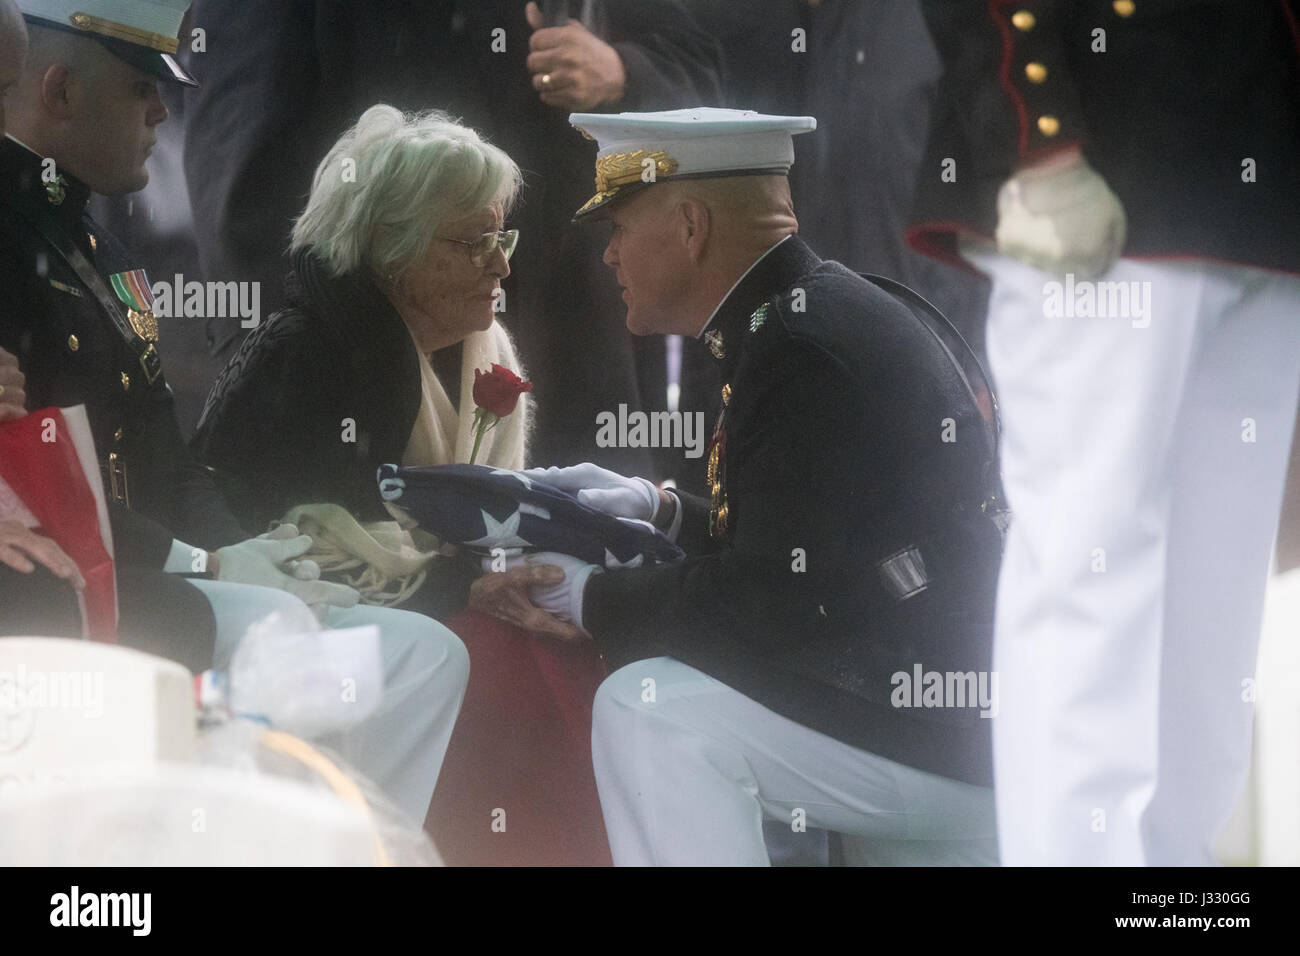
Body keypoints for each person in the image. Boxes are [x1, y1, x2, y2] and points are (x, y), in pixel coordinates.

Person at [475, 107, 1006, 865]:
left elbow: (771, 601)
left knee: (651, 707)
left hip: (938, 734)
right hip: (945, 711)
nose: (611, 257)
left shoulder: (798, 347)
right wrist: (662, 510)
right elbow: (808, 547)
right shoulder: (810, 313)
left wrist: (586, 596)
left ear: (691, 226)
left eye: (620, 228)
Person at [0, 0, 469, 825]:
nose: (163, 111)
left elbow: (161, 456)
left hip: (142, 565)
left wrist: (242, 547)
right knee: (284, 641)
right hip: (50, 589)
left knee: (422, 656)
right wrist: (204, 563)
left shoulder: (104, 250)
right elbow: (32, 492)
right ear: (59, 92)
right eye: (142, 87)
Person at [909, 0, 1300, 867]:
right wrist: (1035, 134)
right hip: (1107, 154)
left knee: (1216, 607)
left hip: (1265, 181)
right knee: (1090, 580)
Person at [193, 104, 611, 866]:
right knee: (501, 661)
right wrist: (475, 580)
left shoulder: (469, 341)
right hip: (277, 634)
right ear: (392, 248)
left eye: (502, 236)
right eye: (474, 242)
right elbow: (317, 544)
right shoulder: (311, 353)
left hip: (400, 606)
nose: (502, 265)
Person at [181, 0, 723, 481]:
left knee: (588, 564)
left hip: (575, 344)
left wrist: (623, 72)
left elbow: (699, 72)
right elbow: (242, 157)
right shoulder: (309, 358)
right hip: (368, 347)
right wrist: (283, 351)